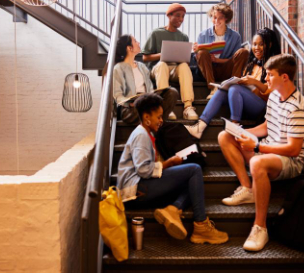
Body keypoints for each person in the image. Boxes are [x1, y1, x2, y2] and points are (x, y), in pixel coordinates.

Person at [218, 54, 304, 252]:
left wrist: (256, 148)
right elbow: (266, 126)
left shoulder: (298, 107)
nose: (265, 79)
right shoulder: (274, 95)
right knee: (225, 136)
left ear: (284, 77)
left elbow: (294, 149)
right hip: (269, 148)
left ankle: (260, 227)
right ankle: (247, 188)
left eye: (270, 75)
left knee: (257, 163)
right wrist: (241, 133)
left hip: (290, 161)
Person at [117, 93, 229, 244]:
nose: (161, 121)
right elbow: (143, 170)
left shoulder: (146, 133)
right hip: (135, 191)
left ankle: (174, 209)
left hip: (139, 189)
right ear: (146, 117)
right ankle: (201, 224)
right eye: (158, 117)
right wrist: (168, 163)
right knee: (194, 169)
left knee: (191, 181)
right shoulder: (141, 135)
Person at [187, 28, 281, 139]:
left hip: (262, 107)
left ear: (269, 45)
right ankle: (200, 126)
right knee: (223, 90)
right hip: (244, 103)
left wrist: (255, 82)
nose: (256, 48)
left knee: (234, 88)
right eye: (254, 44)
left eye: (261, 44)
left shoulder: (275, 65)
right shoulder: (251, 65)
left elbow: (272, 92)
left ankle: (234, 126)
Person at [141, 3, 198, 120]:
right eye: (177, 16)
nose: (181, 19)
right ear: (169, 15)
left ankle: (188, 107)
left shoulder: (183, 37)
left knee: (183, 66)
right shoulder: (156, 33)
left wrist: (184, 57)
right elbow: (145, 57)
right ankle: (167, 107)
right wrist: (161, 55)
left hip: (175, 70)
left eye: (182, 17)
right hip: (158, 69)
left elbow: (186, 63)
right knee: (162, 64)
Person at [113, 35, 178, 124]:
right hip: (132, 109)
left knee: (172, 92)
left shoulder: (142, 66)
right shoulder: (118, 68)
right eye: (135, 41)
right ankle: (155, 122)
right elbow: (117, 96)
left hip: (147, 101)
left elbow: (150, 88)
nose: (138, 43)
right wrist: (129, 103)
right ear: (129, 48)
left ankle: (155, 120)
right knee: (144, 103)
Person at [193, 3, 249, 100]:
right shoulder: (203, 35)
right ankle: (213, 88)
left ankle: (233, 86)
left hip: (226, 69)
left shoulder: (235, 36)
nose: (216, 21)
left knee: (243, 52)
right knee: (201, 53)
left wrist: (218, 60)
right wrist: (196, 51)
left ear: (226, 18)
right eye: (214, 17)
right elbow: (200, 60)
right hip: (209, 71)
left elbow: (235, 59)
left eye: (220, 18)